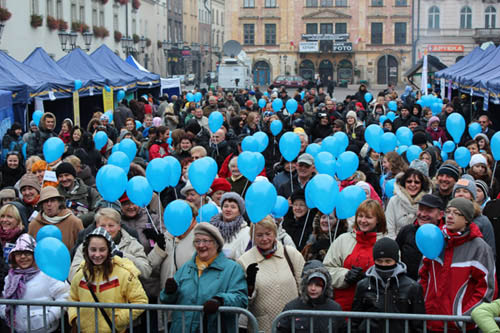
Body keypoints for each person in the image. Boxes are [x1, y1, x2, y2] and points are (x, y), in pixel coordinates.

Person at [419, 198, 496, 332]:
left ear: (466, 219)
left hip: (462, 327)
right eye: (448, 212)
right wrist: (425, 307)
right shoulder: (434, 239)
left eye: (456, 213)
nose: (449, 216)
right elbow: (423, 277)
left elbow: (486, 290)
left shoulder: (480, 248)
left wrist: (462, 317)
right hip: (431, 323)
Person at [160, 222, 248, 333]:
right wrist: (170, 292)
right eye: (197, 241)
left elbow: (241, 299)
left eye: (206, 241)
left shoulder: (232, 269)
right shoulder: (187, 267)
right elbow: (166, 299)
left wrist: (220, 300)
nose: (201, 245)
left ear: (216, 244)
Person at [69, 228, 148, 333]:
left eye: (102, 250)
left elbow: (141, 301)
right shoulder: (80, 274)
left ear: (109, 250)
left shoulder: (124, 273)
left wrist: (118, 321)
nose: (97, 255)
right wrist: (75, 319)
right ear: (86, 250)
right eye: (93, 249)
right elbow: (72, 298)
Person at [237, 216, 305, 332]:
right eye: (259, 235)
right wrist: (250, 287)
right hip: (263, 327)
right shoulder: (244, 261)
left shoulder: (291, 254)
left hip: (294, 325)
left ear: (274, 233)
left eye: (268, 234)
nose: (264, 238)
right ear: (253, 237)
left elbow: (303, 288)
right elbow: (243, 301)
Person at [323, 199, 388, 311]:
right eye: (360, 216)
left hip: (374, 308)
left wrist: (369, 280)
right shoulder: (343, 240)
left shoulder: (386, 244)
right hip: (343, 306)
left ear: (378, 220)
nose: (363, 220)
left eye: (368, 217)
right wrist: (346, 276)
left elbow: (393, 275)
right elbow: (327, 269)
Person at [352, 238, 425, 332]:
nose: (383, 265)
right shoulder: (363, 285)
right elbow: (355, 320)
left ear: (395, 260)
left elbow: (418, 324)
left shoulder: (412, 287)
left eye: (388, 261)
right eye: (379, 261)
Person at [0, 234, 69, 333]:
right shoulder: (10, 277)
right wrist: (3, 312)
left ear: (35, 255)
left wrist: (50, 316)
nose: (23, 257)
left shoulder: (47, 274)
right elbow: (4, 297)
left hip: (45, 330)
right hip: (17, 329)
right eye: (19, 253)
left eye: (27, 253)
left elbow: (65, 296)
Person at [69, 208, 152, 281]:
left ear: (119, 226)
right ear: (97, 226)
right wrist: (93, 263)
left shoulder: (132, 244)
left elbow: (146, 272)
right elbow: (72, 276)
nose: (107, 230)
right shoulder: (86, 245)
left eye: (111, 225)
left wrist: (123, 256)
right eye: (102, 226)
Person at [277, 260, 344, 333]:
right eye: (309, 284)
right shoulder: (291, 308)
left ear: (325, 286)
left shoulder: (334, 308)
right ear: (304, 285)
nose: (313, 288)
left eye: (318, 285)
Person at [396, 194, 444, 280]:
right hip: (408, 287)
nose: (423, 214)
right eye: (420, 209)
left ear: (440, 214)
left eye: (429, 211)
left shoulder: (445, 236)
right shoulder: (407, 231)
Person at [28, 186, 84, 251]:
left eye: (53, 200)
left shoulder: (74, 222)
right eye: (45, 201)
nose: (49, 204)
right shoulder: (34, 225)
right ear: (42, 205)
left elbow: (82, 250)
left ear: (59, 203)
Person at [385, 162, 431, 239]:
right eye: (409, 181)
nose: (412, 185)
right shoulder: (394, 201)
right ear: (404, 183)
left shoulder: (428, 202)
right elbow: (389, 230)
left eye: (417, 182)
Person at [209, 192, 250, 259]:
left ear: (239, 211)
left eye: (233, 207)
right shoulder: (212, 228)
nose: (228, 209)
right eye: (226, 206)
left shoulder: (246, 232)